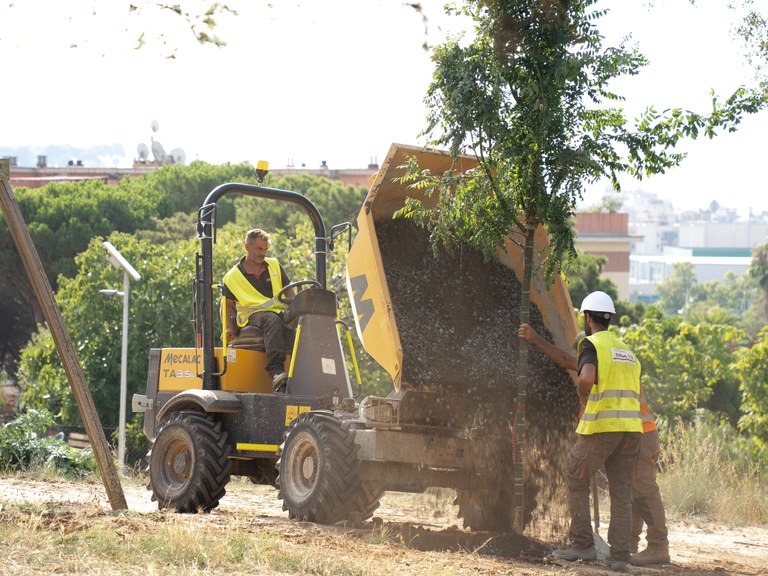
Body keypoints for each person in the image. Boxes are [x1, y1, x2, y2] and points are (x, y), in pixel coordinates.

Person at [519, 321, 670, 566]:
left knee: (641, 489)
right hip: (630, 431)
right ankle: (627, 546)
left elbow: (572, 366)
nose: (579, 361)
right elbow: (569, 363)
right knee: (626, 489)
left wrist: (536, 339)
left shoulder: (596, 365)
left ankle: (658, 547)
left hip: (640, 431)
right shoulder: (614, 363)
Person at [538, 291, 643, 572]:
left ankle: (582, 544)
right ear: (609, 318)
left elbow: (585, 377)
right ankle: (620, 555)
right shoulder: (627, 351)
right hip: (631, 429)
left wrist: (581, 394)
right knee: (621, 491)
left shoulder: (591, 344)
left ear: (586, 317)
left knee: (575, 475)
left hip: (602, 427)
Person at [222, 228, 295, 392]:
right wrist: (227, 327)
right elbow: (226, 306)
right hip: (252, 317)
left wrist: (296, 308)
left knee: (304, 322)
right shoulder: (232, 277)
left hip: (279, 313)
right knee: (271, 319)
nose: (263, 253)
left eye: (265, 249)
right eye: (259, 249)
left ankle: (304, 372)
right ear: (247, 247)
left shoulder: (274, 265)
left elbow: (289, 290)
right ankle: (276, 371)